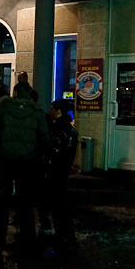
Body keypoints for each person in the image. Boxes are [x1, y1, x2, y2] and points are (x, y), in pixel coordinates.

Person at [0, 82, 49, 262]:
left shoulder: (3, 108)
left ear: (15, 93)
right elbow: (44, 137)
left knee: (3, 200)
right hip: (28, 161)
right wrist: (41, 156)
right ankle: (28, 239)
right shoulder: (36, 112)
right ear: (29, 93)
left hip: (6, 159)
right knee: (25, 200)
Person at [38, 100, 79, 252]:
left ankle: (63, 236)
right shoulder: (68, 129)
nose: (51, 111)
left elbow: (54, 152)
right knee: (60, 205)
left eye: (52, 108)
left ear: (58, 111)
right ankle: (65, 236)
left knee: (58, 206)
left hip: (55, 172)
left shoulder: (60, 130)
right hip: (61, 172)